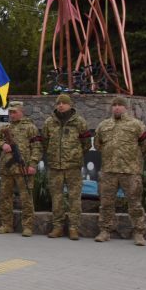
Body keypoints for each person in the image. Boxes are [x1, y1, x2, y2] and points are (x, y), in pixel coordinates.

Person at [93, 97, 146, 245]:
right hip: (109, 171)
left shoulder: (137, 125)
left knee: (135, 203)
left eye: (120, 105)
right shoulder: (103, 125)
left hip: (130, 171)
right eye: (114, 105)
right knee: (106, 203)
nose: (117, 108)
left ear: (126, 108)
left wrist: (132, 158)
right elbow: (98, 145)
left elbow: (145, 146)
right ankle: (105, 231)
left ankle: (139, 233)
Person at [42, 94, 92, 240]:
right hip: (55, 166)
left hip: (73, 167)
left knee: (74, 197)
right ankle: (57, 227)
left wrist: (75, 155)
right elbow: (45, 142)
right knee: (56, 197)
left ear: (70, 105)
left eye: (64, 103)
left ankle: (73, 228)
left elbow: (86, 144)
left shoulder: (79, 122)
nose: (61, 105)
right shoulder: (49, 122)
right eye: (58, 103)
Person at [0, 101, 42, 236]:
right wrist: (2, 144)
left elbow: (37, 147)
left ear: (21, 112)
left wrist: (33, 164)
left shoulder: (30, 128)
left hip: (23, 168)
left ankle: (27, 226)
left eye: (14, 112)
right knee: (5, 197)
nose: (12, 115)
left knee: (26, 198)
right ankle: (6, 225)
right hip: (7, 168)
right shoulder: (5, 128)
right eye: (10, 112)